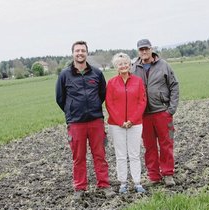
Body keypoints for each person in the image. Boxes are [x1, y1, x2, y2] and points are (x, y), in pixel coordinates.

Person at [56, 40, 116, 200]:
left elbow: (102, 94)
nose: (80, 53)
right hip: (76, 123)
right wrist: (72, 111)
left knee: (100, 154)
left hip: (95, 120)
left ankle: (104, 184)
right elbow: (60, 98)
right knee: (78, 157)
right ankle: (80, 187)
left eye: (83, 50)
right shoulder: (64, 75)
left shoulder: (96, 73)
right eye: (77, 51)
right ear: (73, 53)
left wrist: (94, 107)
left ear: (87, 53)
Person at [131, 39, 180, 187]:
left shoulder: (164, 65)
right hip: (144, 115)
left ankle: (168, 174)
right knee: (149, 146)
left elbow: (174, 86)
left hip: (162, 112)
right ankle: (154, 176)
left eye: (146, 49)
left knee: (166, 144)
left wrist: (171, 109)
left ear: (151, 49)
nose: (144, 52)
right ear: (138, 51)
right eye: (141, 50)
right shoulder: (134, 68)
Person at [105, 53, 147, 194]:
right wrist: (120, 121)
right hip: (117, 125)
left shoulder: (138, 81)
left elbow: (142, 101)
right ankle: (123, 183)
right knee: (121, 154)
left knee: (135, 154)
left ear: (130, 65)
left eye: (125, 63)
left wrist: (132, 120)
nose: (123, 66)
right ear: (116, 66)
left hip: (135, 124)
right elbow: (109, 104)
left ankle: (137, 182)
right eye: (120, 64)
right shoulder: (111, 83)